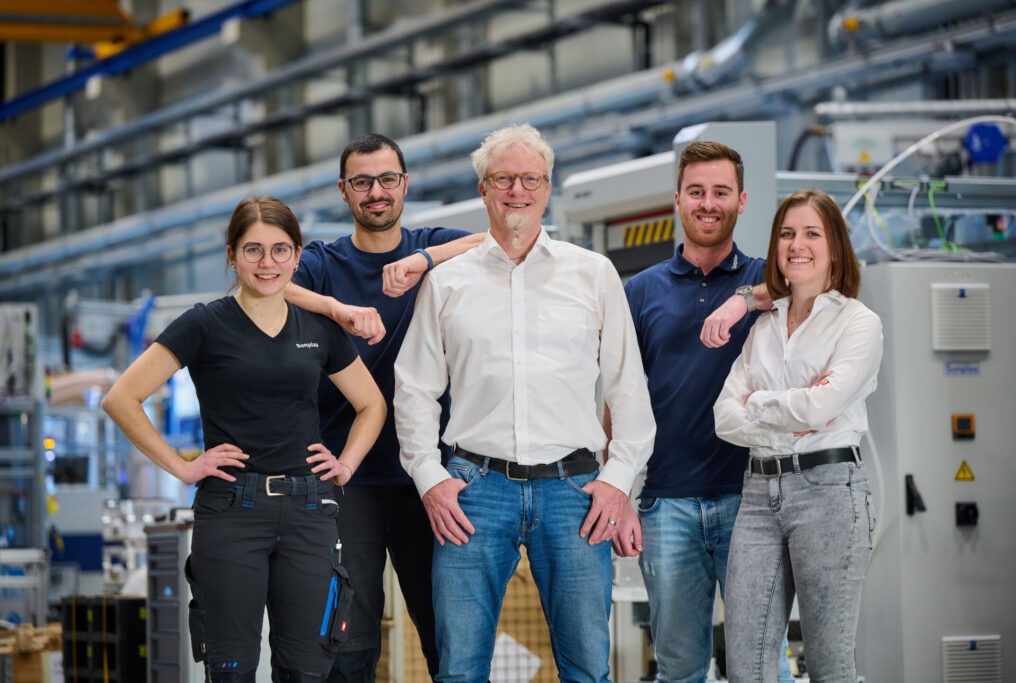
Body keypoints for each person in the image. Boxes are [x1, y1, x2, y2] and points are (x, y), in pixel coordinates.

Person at [393, 123, 656, 682]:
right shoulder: (447, 283)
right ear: (484, 190)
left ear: (547, 186)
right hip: (473, 492)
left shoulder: (593, 274)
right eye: (503, 179)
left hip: (575, 494)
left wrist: (619, 480)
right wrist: (429, 477)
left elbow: (628, 387)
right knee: (460, 669)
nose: (518, 190)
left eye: (530, 179)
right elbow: (413, 388)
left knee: (587, 667)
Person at [102, 196, 387, 682]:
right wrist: (183, 466)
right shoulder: (205, 323)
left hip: (310, 512)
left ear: (298, 256)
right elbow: (121, 398)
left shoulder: (319, 329)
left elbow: (372, 404)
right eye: (252, 250)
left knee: (307, 670)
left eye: (280, 250)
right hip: (232, 511)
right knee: (231, 669)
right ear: (232, 256)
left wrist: (346, 463)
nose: (267, 263)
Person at [285, 133, 484, 682]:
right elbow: (270, 284)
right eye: (363, 182)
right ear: (344, 192)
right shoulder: (323, 263)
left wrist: (423, 259)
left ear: (405, 184)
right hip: (348, 479)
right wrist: (338, 309)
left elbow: (498, 241)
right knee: (351, 638)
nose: (377, 192)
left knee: (448, 632)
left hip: (431, 478)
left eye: (387, 179)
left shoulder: (432, 246)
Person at [616, 140, 793, 682]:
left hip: (756, 501)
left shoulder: (775, 280)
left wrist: (744, 297)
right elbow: (615, 397)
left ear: (742, 201)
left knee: (763, 667)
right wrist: (619, 493)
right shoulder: (640, 292)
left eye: (720, 192)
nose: (708, 203)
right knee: (679, 668)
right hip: (666, 504)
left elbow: (829, 281)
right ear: (678, 200)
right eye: (696, 192)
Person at [714, 189, 882, 681]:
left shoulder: (858, 324)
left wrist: (761, 402)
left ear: (835, 247)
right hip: (758, 493)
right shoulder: (763, 328)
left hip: (829, 492)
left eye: (812, 233)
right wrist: (793, 407)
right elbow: (724, 417)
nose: (796, 244)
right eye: (787, 233)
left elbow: (823, 405)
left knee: (829, 666)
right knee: (746, 666)